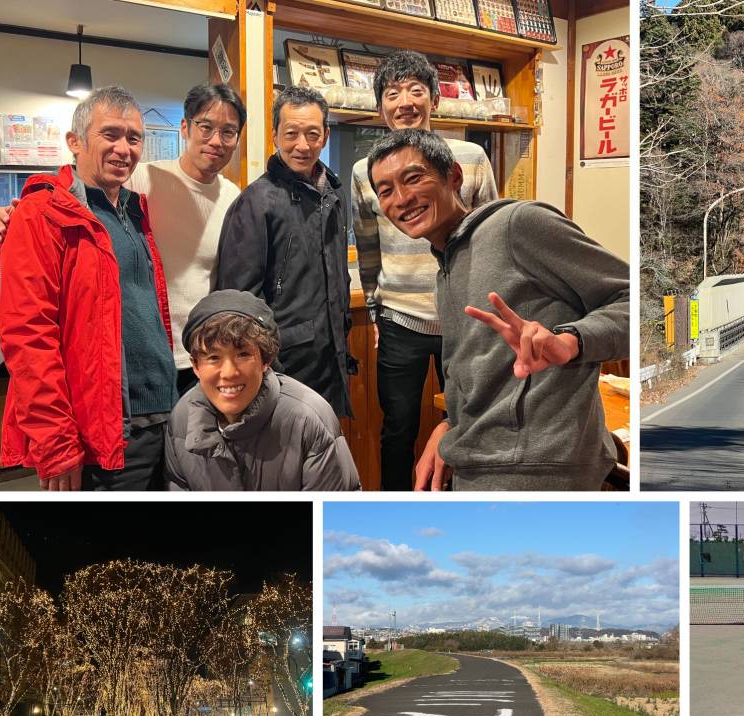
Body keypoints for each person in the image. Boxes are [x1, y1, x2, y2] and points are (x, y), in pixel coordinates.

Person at [366, 130, 629, 490]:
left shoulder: (517, 224)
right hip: (478, 458)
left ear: (454, 176)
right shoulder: (445, 264)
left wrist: (571, 341)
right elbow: (480, 373)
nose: (402, 198)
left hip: (537, 467)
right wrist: (450, 427)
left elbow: (630, 300)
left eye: (414, 178)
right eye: (386, 191)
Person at [0, 84, 246, 396]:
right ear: (185, 127)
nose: (216, 140)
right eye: (206, 126)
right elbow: (74, 191)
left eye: (228, 131)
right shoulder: (142, 178)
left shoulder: (234, 198)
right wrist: (16, 213)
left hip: (204, 359)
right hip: (133, 364)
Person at [0, 85, 177, 491]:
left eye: (134, 138)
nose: (124, 148)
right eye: (110, 134)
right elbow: (27, 335)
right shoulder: (41, 214)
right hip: (104, 435)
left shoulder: (135, 210)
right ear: (74, 142)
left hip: (165, 420)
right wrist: (56, 444)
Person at [353, 50, 498, 490]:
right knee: (397, 428)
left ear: (434, 99)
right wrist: (376, 310)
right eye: (393, 94)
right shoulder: (366, 171)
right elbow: (367, 247)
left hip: (464, 318)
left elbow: (490, 235)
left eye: (416, 90)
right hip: (400, 318)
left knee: (468, 421)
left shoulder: (469, 157)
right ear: (381, 107)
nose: (405, 103)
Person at [216, 85, 354, 417]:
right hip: (283, 365)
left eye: (312, 134)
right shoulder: (257, 201)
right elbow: (239, 300)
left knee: (322, 453)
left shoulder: (331, 194)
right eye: (291, 133)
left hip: (330, 355)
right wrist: (266, 361)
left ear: (326, 136)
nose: (302, 145)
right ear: (275, 135)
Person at [165, 290, 360, 490]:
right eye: (213, 357)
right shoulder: (182, 418)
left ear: (266, 360)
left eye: (242, 354)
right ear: (195, 366)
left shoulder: (308, 420)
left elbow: (330, 516)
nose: (229, 372)